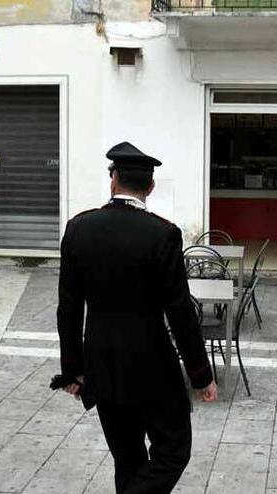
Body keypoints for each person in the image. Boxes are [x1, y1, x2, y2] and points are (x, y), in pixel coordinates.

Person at [57, 141, 218, 494]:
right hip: (151, 363)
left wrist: (73, 369)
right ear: (151, 187)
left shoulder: (78, 228)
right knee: (174, 451)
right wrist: (200, 374)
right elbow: (179, 311)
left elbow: (68, 307)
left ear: (113, 180)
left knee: (127, 458)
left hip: (100, 360)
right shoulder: (162, 233)